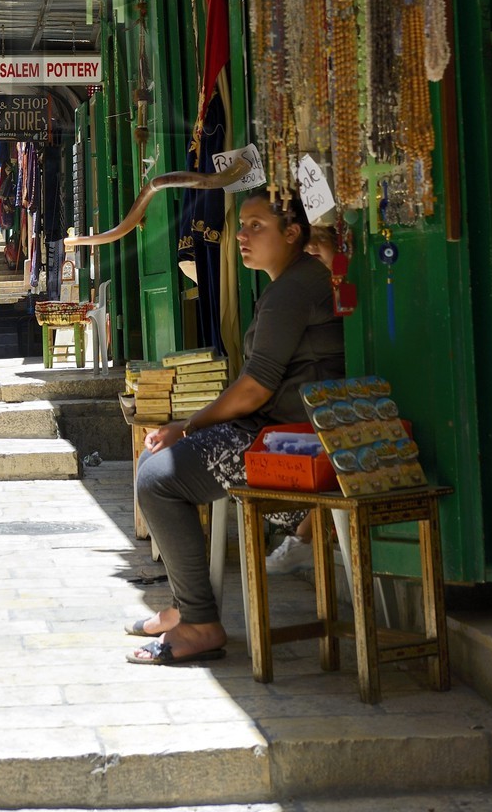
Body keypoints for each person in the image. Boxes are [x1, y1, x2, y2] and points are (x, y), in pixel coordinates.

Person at [129, 190, 344, 665]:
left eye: (256, 227)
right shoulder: (297, 280)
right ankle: (187, 607)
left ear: (292, 234)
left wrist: (186, 425)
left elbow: (256, 388)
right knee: (156, 465)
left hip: (291, 442)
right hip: (286, 429)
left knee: (156, 478)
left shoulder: (293, 289)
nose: (242, 237)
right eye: (241, 226)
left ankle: (199, 621)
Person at [265, 220, 352, 574]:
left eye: (322, 243)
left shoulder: (341, 283)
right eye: (309, 245)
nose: (312, 251)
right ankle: (305, 536)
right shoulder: (311, 288)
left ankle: (306, 537)